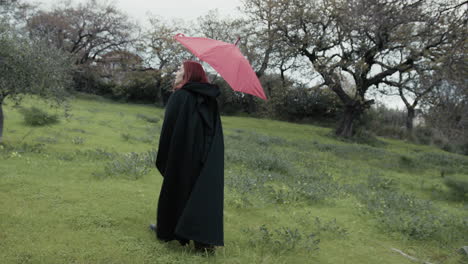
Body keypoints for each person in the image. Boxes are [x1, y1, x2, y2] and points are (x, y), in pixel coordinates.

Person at [150, 60, 224, 253]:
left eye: (180, 69)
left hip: (181, 152)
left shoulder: (179, 96)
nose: (176, 72)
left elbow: (169, 130)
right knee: (201, 193)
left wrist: (166, 156)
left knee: (176, 188)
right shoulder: (210, 99)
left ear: (188, 75)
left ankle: (167, 229)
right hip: (204, 155)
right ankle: (204, 243)